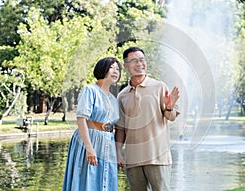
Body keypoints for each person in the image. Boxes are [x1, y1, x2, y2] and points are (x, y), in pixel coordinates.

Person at [115, 47, 180, 191]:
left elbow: (171, 117)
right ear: (126, 66)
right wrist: (118, 152)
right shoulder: (122, 95)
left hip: (157, 158)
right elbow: (121, 128)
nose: (139, 64)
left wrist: (169, 107)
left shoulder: (159, 87)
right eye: (134, 61)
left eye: (142, 60)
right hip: (133, 159)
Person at [62, 57, 122, 191]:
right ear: (102, 69)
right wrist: (89, 148)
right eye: (111, 67)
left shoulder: (113, 98)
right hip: (91, 140)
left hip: (108, 143)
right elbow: (81, 119)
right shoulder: (90, 90)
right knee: (87, 180)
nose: (115, 71)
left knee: (106, 181)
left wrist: (118, 153)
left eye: (117, 69)